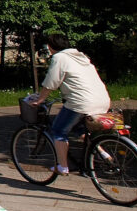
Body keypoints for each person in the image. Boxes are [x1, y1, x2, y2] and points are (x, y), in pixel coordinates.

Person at [27, 33, 111, 175]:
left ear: (50, 47)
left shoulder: (59, 58)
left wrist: (39, 100)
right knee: (79, 129)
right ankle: (103, 154)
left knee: (58, 130)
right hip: (102, 99)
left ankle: (63, 166)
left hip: (81, 102)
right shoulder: (81, 57)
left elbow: (51, 82)